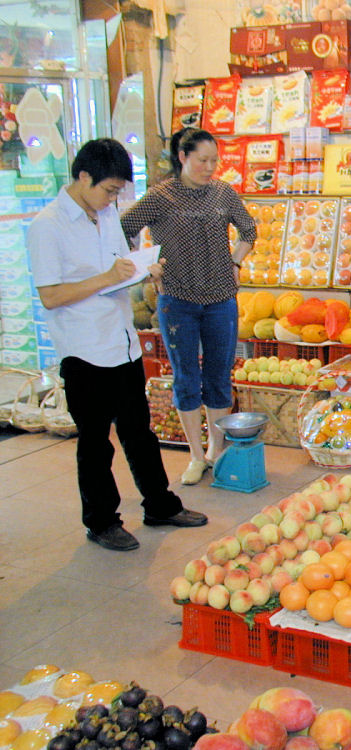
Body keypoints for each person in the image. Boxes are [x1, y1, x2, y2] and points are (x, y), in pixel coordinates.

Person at [27, 138, 208, 552]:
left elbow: (117, 266)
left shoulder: (105, 214)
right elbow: (51, 296)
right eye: (109, 189)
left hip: (122, 342)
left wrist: (142, 269)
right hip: (83, 350)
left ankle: (160, 504)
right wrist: (108, 278)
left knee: (138, 432)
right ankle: (101, 520)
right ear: (84, 176)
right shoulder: (48, 226)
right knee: (95, 442)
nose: (112, 199)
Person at [121, 128, 257, 485]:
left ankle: (216, 450)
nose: (210, 167)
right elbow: (124, 228)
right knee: (186, 377)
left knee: (218, 375)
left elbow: (248, 230)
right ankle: (195, 456)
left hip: (221, 299)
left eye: (214, 160)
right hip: (177, 300)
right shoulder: (160, 196)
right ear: (183, 157)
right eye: (202, 160)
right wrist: (146, 266)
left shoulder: (223, 192)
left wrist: (236, 262)